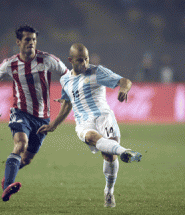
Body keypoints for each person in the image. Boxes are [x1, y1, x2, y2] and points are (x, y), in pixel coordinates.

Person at [37, 43, 142, 208]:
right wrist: (54, 125)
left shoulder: (97, 71)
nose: (84, 63)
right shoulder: (65, 80)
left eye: (86, 59)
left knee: (109, 156)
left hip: (104, 117)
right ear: (70, 60)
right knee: (92, 137)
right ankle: (125, 151)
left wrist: (124, 89)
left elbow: (125, 81)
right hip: (83, 122)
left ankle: (109, 191)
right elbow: (67, 104)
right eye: (80, 60)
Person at [0, 25, 69, 201]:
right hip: (21, 112)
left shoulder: (47, 60)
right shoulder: (10, 64)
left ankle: (8, 179)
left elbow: (67, 75)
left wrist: (68, 93)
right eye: (27, 39)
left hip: (43, 118)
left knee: (26, 160)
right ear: (18, 42)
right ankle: (8, 187)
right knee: (20, 145)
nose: (31, 43)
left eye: (34, 39)